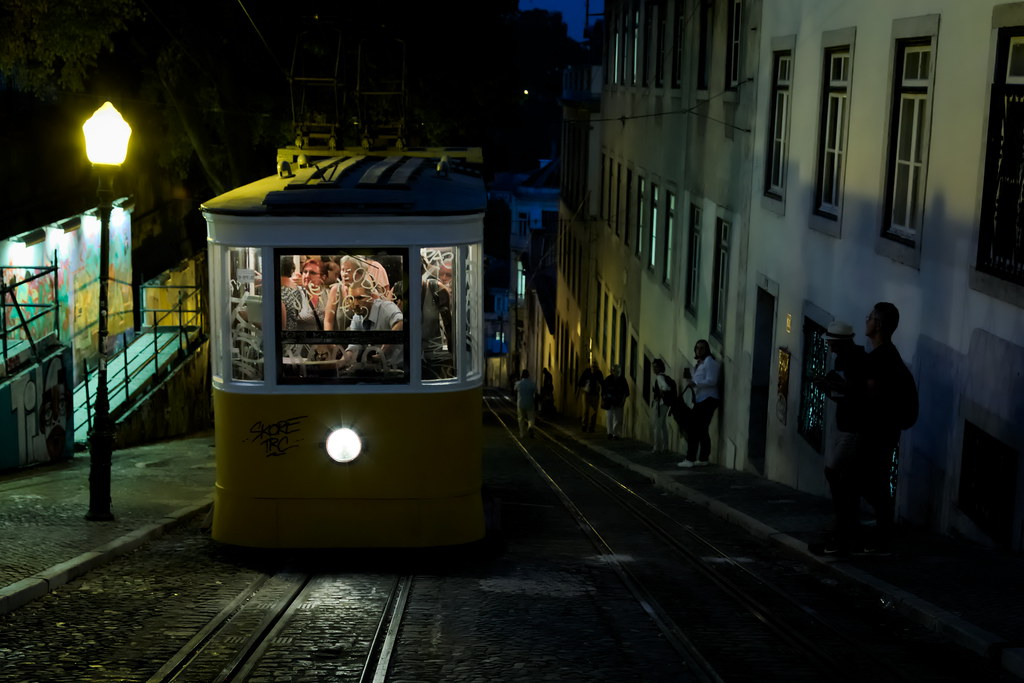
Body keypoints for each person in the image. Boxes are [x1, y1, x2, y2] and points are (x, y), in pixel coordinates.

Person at [855, 302, 912, 553]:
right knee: (873, 480)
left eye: (869, 318)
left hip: (877, 431)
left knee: (870, 481)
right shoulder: (891, 354)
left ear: (877, 325)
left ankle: (881, 535)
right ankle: (881, 531)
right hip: (886, 430)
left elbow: (872, 396)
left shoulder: (878, 359)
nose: (866, 321)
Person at [811, 321, 867, 555]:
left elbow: (856, 392)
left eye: (832, 342)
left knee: (834, 472)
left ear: (842, 342)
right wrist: (829, 389)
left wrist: (830, 386)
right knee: (838, 473)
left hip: (854, 425)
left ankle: (844, 522)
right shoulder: (842, 360)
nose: (830, 346)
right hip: (844, 421)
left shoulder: (857, 360)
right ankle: (843, 521)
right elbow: (843, 394)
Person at [337, 283, 404, 372]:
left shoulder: (386, 308)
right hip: (378, 371)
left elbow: (400, 323)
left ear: (371, 297)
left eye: (360, 298)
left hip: (399, 369)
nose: (355, 303)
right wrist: (341, 362)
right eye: (351, 298)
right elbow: (354, 346)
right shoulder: (357, 318)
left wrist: (382, 352)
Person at [679, 339, 720, 467]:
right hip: (701, 399)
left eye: (702, 348)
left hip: (708, 399)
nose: (699, 350)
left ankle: (690, 459)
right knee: (702, 430)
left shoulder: (710, 362)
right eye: (697, 348)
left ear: (707, 349)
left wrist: (695, 383)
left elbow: (712, 381)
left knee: (693, 429)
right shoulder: (700, 363)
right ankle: (703, 458)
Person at [650, 358, 673, 454]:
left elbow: (666, 387)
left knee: (657, 426)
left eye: (656, 367)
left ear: (660, 367)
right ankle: (666, 447)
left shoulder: (659, 377)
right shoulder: (664, 376)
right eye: (653, 367)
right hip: (665, 404)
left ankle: (656, 448)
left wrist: (661, 393)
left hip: (661, 404)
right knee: (663, 426)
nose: (654, 369)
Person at [601, 364, 629, 439]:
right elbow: (604, 391)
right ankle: (610, 433)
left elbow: (625, 392)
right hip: (609, 401)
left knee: (618, 418)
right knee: (609, 417)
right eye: (613, 370)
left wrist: (623, 400)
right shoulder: (608, 379)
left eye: (616, 370)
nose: (614, 372)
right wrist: (604, 399)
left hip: (618, 401)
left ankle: (615, 433)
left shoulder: (622, 380)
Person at [577, 361, 604, 432]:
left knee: (594, 411)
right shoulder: (587, 372)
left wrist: (602, 394)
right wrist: (583, 387)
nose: (593, 368)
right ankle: (584, 425)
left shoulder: (599, 373)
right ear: (590, 367)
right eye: (592, 367)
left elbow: (602, 383)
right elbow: (580, 382)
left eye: (595, 367)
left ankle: (592, 426)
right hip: (586, 393)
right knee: (586, 410)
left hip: (595, 394)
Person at [514, 369, 537, 437]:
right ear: (528, 375)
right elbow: (535, 391)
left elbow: (515, 390)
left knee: (521, 418)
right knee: (531, 417)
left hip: (520, 403)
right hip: (530, 402)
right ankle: (530, 426)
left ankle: (522, 433)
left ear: (522, 375)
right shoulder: (532, 383)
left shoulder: (518, 383)